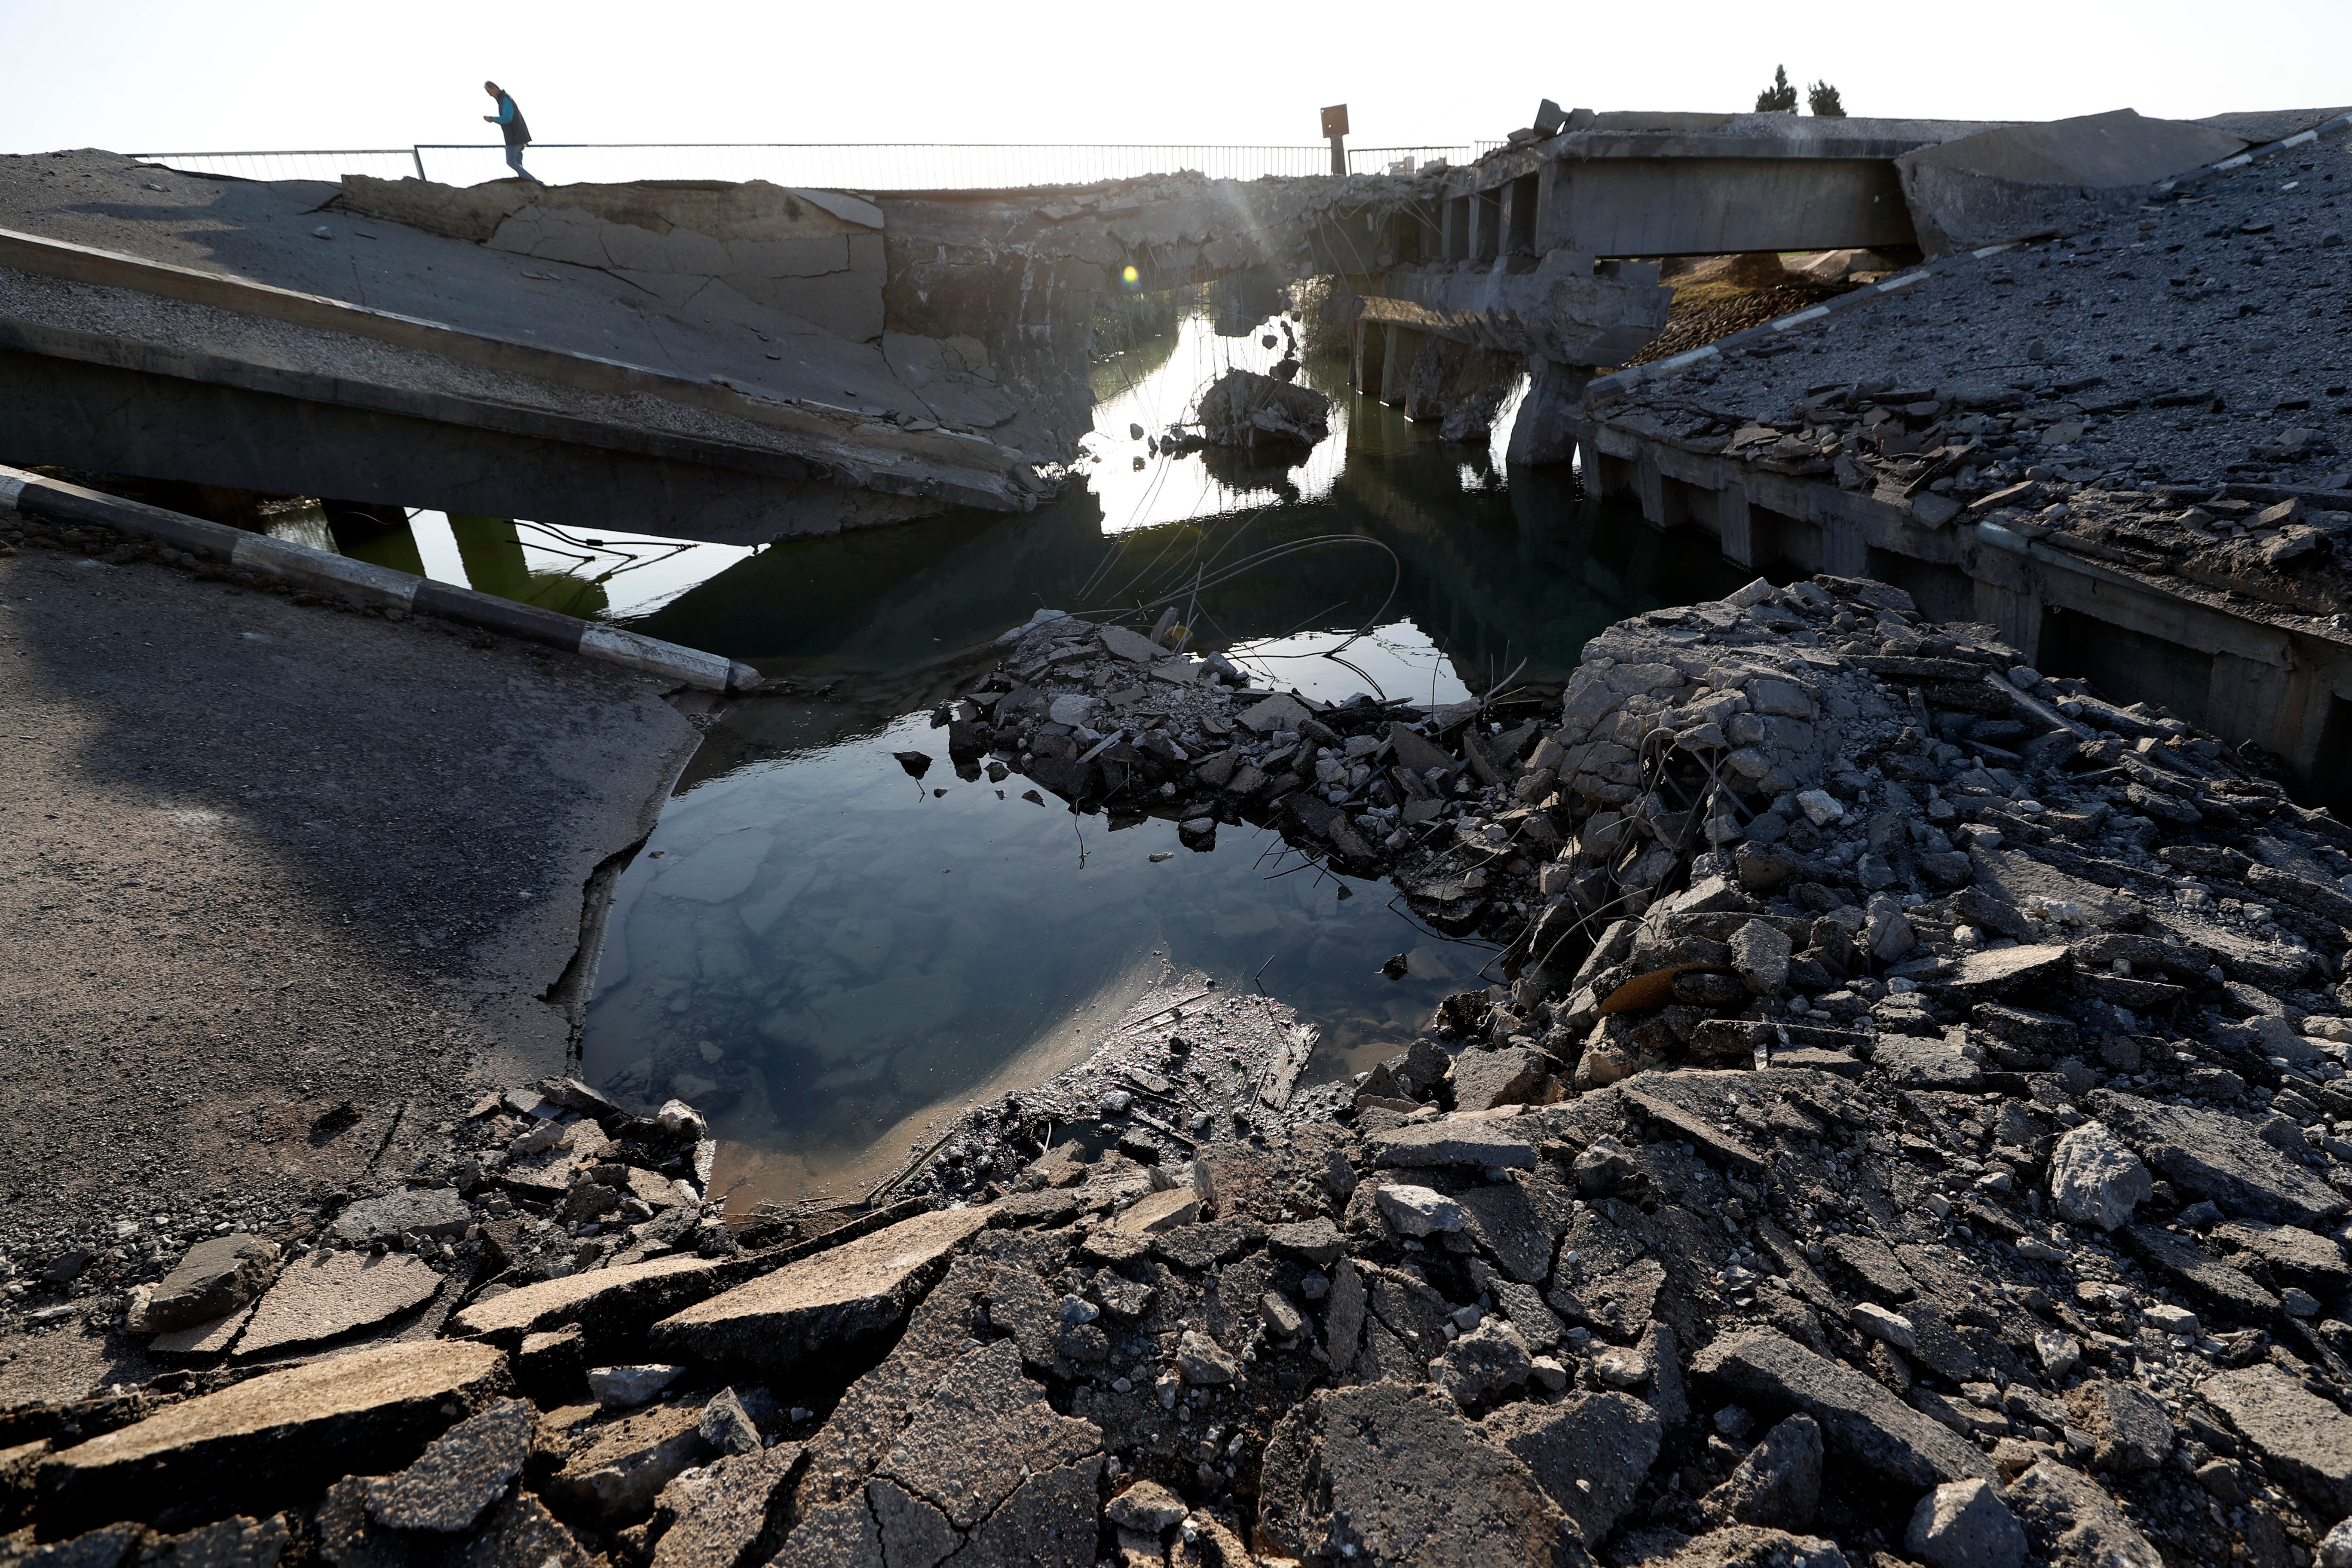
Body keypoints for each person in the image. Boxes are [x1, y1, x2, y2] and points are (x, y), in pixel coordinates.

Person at [482, 82, 536, 182]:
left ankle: (534, 182)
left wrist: (493, 119)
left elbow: (507, 118)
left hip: (515, 137)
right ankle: (526, 183)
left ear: (494, 88)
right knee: (517, 163)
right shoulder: (505, 99)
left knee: (511, 161)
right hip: (519, 136)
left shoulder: (505, 99)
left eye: (489, 91)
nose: (490, 95)